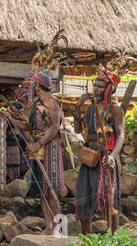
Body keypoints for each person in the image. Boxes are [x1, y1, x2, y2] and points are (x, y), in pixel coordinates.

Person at [9, 69, 65, 235]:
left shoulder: (52, 103)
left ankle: (57, 228)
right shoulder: (36, 104)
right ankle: (48, 226)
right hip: (38, 149)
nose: (29, 88)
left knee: (51, 188)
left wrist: (38, 143)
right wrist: (10, 119)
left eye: (32, 84)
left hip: (50, 149)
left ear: (38, 85)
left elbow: (55, 127)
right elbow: (29, 127)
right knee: (42, 189)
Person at [74, 68, 125, 234]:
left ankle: (112, 238)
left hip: (106, 156)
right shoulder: (90, 107)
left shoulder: (115, 109)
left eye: (100, 86)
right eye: (94, 85)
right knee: (84, 196)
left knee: (109, 198)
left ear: (109, 89)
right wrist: (78, 106)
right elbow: (76, 130)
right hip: (89, 156)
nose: (95, 89)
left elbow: (121, 135)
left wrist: (112, 156)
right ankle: (86, 238)